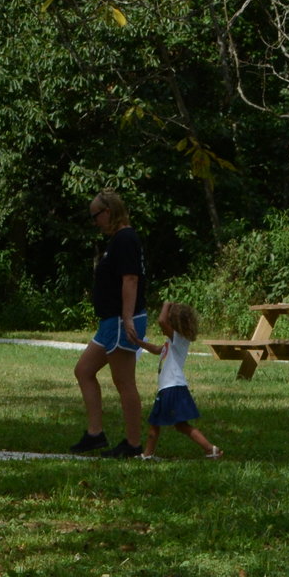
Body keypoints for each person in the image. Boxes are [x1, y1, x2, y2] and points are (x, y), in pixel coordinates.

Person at [71, 189, 149, 455]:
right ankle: (95, 434)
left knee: (124, 381)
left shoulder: (125, 238)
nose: (95, 222)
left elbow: (131, 279)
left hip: (120, 321)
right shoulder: (117, 239)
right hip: (109, 323)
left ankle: (133, 443)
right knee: (83, 370)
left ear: (109, 212)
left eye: (96, 216)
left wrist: (127, 318)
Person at [145, 301, 222, 458]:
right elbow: (156, 349)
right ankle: (210, 449)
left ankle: (147, 454)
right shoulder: (172, 341)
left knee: (156, 423)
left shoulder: (178, 338)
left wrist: (165, 304)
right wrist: (137, 342)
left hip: (171, 387)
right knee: (180, 425)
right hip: (173, 386)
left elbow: (161, 321)